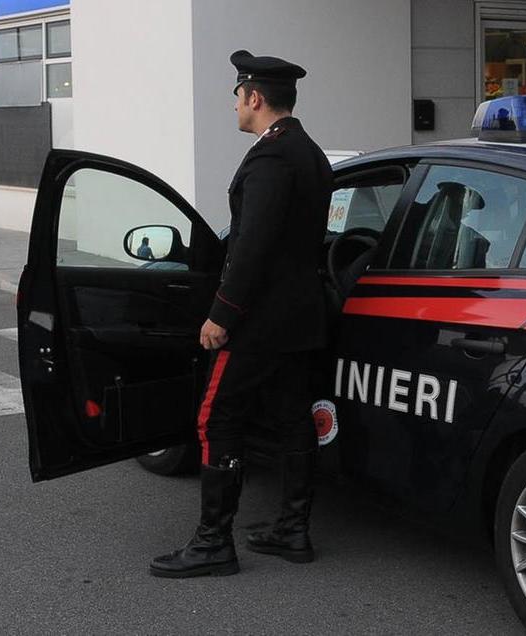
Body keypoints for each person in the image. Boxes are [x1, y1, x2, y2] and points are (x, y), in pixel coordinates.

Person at [149, 49, 332, 578]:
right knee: (293, 417)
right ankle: (292, 530)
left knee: (215, 419)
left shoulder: (272, 157)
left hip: (259, 321)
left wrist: (222, 313)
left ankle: (212, 542)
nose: (233, 106)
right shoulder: (310, 152)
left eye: (237, 96)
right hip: (299, 318)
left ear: (254, 97)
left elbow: (253, 245)